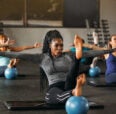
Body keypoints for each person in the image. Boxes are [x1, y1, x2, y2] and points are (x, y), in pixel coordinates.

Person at [0, 30, 115, 104]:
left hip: (69, 81)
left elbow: (92, 53)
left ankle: (76, 68)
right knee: (51, 97)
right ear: (49, 45)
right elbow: (15, 54)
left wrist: (112, 50)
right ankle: (74, 92)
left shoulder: (68, 55)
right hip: (57, 87)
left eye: (61, 45)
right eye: (57, 45)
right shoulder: (42, 58)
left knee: (73, 65)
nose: (60, 48)